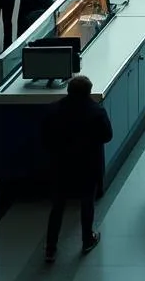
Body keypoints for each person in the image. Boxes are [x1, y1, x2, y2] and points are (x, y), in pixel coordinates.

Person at [43, 75, 112, 262]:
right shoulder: (96, 112)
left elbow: (45, 137)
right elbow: (107, 136)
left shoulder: (53, 110)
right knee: (86, 202)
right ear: (89, 92)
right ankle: (87, 239)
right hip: (87, 166)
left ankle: (50, 248)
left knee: (57, 206)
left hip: (60, 166)